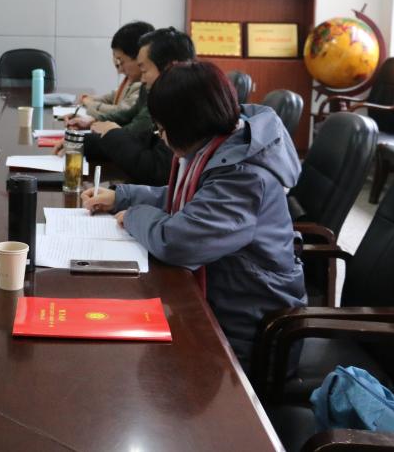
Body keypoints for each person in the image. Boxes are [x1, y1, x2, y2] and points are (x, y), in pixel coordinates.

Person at [82, 60, 305, 372]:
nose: (161, 137)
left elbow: (178, 241)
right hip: (219, 300)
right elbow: (190, 200)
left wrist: (133, 215)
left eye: (162, 129)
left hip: (247, 331)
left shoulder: (244, 175)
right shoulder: (220, 144)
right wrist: (123, 196)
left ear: (184, 124)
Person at [63, 27, 195, 186]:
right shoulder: (164, 98)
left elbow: (157, 170)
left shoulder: (184, 107)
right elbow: (141, 139)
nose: (143, 80)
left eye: (144, 70)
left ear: (169, 68)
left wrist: (113, 134)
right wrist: (81, 143)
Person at [75, 21, 151, 121]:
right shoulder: (132, 80)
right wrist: (90, 99)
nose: (120, 70)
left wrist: (91, 104)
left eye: (121, 62)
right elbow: (113, 97)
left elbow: (122, 113)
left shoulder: (144, 85)